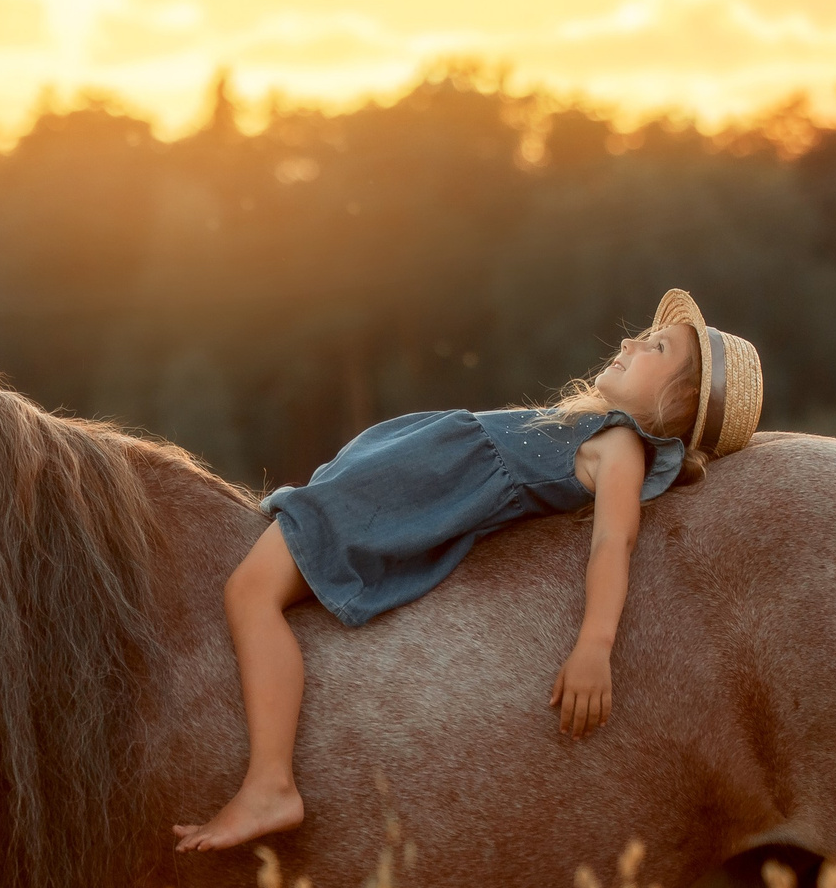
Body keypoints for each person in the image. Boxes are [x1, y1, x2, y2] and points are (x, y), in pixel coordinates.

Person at [174, 289, 763, 852]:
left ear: (674, 405)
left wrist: (595, 644)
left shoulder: (621, 447)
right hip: (396, 486)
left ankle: (270, 785)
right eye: (642, 335)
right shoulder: (590, 427)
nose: (632, 343)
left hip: (402, 503)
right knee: (253, 585)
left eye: (656, 350)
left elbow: (614, 540)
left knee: (250, 592)